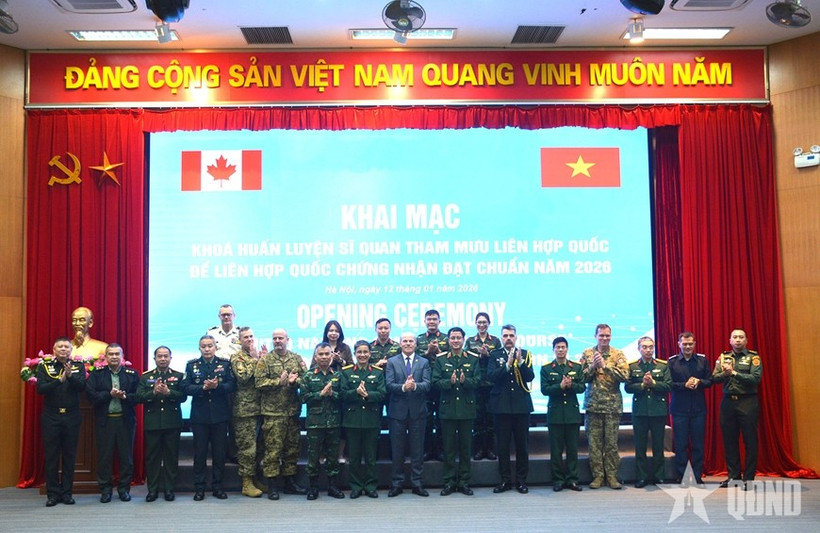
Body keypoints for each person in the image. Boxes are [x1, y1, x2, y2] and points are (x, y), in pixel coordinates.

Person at [255, 328, 307, 500]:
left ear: (287, 339)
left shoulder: (296, 358)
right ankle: (272, 486)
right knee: (273, 450)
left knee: (292, 449)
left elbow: (306, 380)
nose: (277, 341)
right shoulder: (265, 360)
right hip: (273, 413)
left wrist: (294, 382)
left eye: (281, 338)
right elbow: (259, 383)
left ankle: (290, 483)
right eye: (275, 338)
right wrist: (279, 382)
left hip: (292, 412)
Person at [182, 335, 236, 500]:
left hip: (220, 416)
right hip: (200, 417)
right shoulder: (192, 365)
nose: (207, 349)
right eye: (203, 346)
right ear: (199, 348)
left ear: (215, 347)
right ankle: (200, 488)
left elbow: (232, 385)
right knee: (200, 454)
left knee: (219, 454)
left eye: (210, 346)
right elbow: (185, 387)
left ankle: (218, 487)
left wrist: (217, 386)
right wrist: (203, 388)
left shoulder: (224, 364)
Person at [36, 337, 87, 507]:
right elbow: (40, 389)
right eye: (60, 346)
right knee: (51, 456)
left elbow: (82, 388)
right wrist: (59, 380)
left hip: (72, 416)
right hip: (51, 416)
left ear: (71, 350)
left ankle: (67, 493)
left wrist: (71, 377)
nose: (64, 349)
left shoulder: (78, 366)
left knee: (69, 456)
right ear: (54, 349)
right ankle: (52, 494)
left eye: (67, 347)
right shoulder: (44, 366)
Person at [86, 343, 139, 502]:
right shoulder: (97, 374)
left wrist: (124, 397)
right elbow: (91, 396)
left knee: (126, 458)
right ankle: (106, 490)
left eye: (117, 354)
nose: (114, 357)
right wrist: (109, 394)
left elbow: (138, 397)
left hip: (125, 420)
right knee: (104, 458)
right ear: (106, 357)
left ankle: (124, 489)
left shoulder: (132, 374)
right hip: (105, 421)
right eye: (111, 354)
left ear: (122, 357)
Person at [712, 328, 763, 490]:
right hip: (728, 403)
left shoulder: (753, 358)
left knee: (750, 441)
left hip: (747, 402)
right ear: (730, 340)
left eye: (741, 337)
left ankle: (748, 478)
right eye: (735, 337)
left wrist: (734, 373)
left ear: (746, 340)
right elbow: (714, 378)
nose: (738, 340)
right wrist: (725, 373)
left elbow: (755, 379)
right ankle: (734, 476)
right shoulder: (723, 357)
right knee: (729, 441)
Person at [581, 323, 629, 489]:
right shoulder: (587, 353)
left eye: (607, 335)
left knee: (611, 444)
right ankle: (598, 477)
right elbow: (581, 379)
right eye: (601, 335)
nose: (604, 338)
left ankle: (612, 476)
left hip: (612, 406)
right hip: (593, 406)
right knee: (594, 445)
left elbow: (625, 375)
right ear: (595, 336)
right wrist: (593, 367)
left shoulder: (618, 354)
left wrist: (605, 366)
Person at [487, 324, 534, 494]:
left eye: (511, 335)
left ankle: (521, 480)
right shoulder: (495, 355)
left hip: (521, 407)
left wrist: (520, 363)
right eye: (505, 335)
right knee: (503, 447)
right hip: (502, 407)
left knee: (522, 446)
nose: (508, 338)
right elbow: (491, 376)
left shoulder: (525, 354)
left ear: (516, 337)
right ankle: (505, 480)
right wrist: (507, 365)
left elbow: (530, 377)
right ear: (501, 338)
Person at [434, 326, 480, 496]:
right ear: (448, 340)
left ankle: (464, 482)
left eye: (458, 338)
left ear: (463, 339)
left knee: (466, 448)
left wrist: (465, 381)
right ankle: (449, 482)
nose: (455, 341)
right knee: (449, 449)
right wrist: (450, 383)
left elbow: (478, 381)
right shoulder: (440, 359)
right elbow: (435, 381)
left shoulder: (473, 358)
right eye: (452, 338)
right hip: (448, 409)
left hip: (467, 410)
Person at [136, 345, 186, 502]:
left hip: (172, 423)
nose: (163, 359)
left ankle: (169, 489)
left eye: (166, 356)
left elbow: (184, 396)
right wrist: (154, 392)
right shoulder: (146, 377)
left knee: (171, 457)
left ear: (171, 358)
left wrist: (169, 393)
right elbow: (139, 397)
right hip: (153, 423)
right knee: (152, 458)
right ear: (154, 358)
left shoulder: (178, 376)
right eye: (160, 356)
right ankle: (153, 490)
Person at [385, 333, 431, 497]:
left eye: (411, 341)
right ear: (400, 343)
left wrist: (414, 386)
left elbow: (427, 384)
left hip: (418, 412)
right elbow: (389, 385)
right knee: (397, 450)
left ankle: (417, 483)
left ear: (416, 344)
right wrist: (404, 387)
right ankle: (397, 484)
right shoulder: (392, 362)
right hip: (397, 412)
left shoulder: (424, 362)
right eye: (405, 341)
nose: (408, 343)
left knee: (417, 450)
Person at [340, 340, 386, 499]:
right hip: (352, 420)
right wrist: (356, 392)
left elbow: (382, 394)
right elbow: (342, 394)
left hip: (371, 420)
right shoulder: (346, 372)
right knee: (354, 457)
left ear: (370, 353)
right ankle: (356, 486)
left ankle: (371, 486)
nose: (362, 355)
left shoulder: (378, 372)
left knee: (371, 457)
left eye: (365, 352)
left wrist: (367, 395)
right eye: (359, 352)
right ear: (354, 354)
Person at [300, 342, 345, 500]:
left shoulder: (338, 375)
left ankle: (333, 487)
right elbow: (304, 398)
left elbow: (344, 397)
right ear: (315, 356)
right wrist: (320, 394)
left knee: (332, 457)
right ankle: (313, 488)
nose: (324, 357)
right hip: (314, 424)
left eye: (327, 354)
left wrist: (332, 394)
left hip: (333, 423)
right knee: (313, 457)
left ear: (332, 357)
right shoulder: (308, 375)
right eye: (321, 354)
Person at [625, 336, 671, 488]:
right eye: (644, 347)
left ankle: (659, 477)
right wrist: (643, 386)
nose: (648, 350)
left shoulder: (663, 366)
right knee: (640, 447)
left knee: (658, 447)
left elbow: (668, 386)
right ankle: (641, 477)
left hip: (658, 411)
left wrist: (654, 383)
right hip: (640, 412)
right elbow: (627, 387)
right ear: (639, 348)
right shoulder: (632, 366)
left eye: (651, 347)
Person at [667, 332, 712, 484]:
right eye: (684, 344)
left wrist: (699, 382)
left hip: (699, 409)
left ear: (694, 344)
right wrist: (684, 385)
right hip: (679, 409)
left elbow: (710, 380)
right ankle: (683, 476)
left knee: (698, 445)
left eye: (690, 344)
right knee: (681, 445)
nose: (687, 347)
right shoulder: (672, 362)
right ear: (679, 344)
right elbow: (669, 384)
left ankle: (697, 476)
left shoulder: (702, 360)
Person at [540, 336, 585, 492]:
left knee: (572, 449)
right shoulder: (547, 368)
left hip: (572, 414)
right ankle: (558, 480)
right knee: (556, 450)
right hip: (555, 414)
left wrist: (571, 385)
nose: (560, 350)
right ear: (553, 349)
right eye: (558, 347)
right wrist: (560, 386)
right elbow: (545, 390)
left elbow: (582, 388)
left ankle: (572, 479)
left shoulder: (576, 367)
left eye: (563, 347)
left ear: (567, 349)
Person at [231, 327, 265, 498]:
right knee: (247, 448)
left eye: (252, 336)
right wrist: (254, 360)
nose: (250, 339)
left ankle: (255, 478)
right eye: (245, 337)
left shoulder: (258, 355)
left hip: (261, 407)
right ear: (240, 340)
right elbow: (243, 377)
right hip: (245, 410)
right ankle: (246, 483)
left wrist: (261, 359)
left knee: (259, 447)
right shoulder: (237, 357)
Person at [465, 312, 501, 461]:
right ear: (475, 324)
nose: (481, 325)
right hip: (476, 384)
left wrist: (488, 355)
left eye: (484, 322)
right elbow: (466, 359)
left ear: (489, 323)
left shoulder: (496, 341)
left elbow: (500, 359)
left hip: (492, 385)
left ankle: (491, 449)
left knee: (491, 419)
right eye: (479, 322)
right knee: (478, 419)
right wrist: (479, 356)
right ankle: (479, 449)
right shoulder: (470, 341)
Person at [416, 309, 449, 461]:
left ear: (439, 321)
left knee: (442, 419)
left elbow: (450, 358)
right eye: (429, 319)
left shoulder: (447, 338)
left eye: (434, 319)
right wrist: (428, 352)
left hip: (442, 382)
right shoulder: (419, 339)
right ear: (424, 321)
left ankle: (441, 450)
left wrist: (439, 350)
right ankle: (428, 450)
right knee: (427, 419)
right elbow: (415, 360)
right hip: (425, 383)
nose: (431, 322)